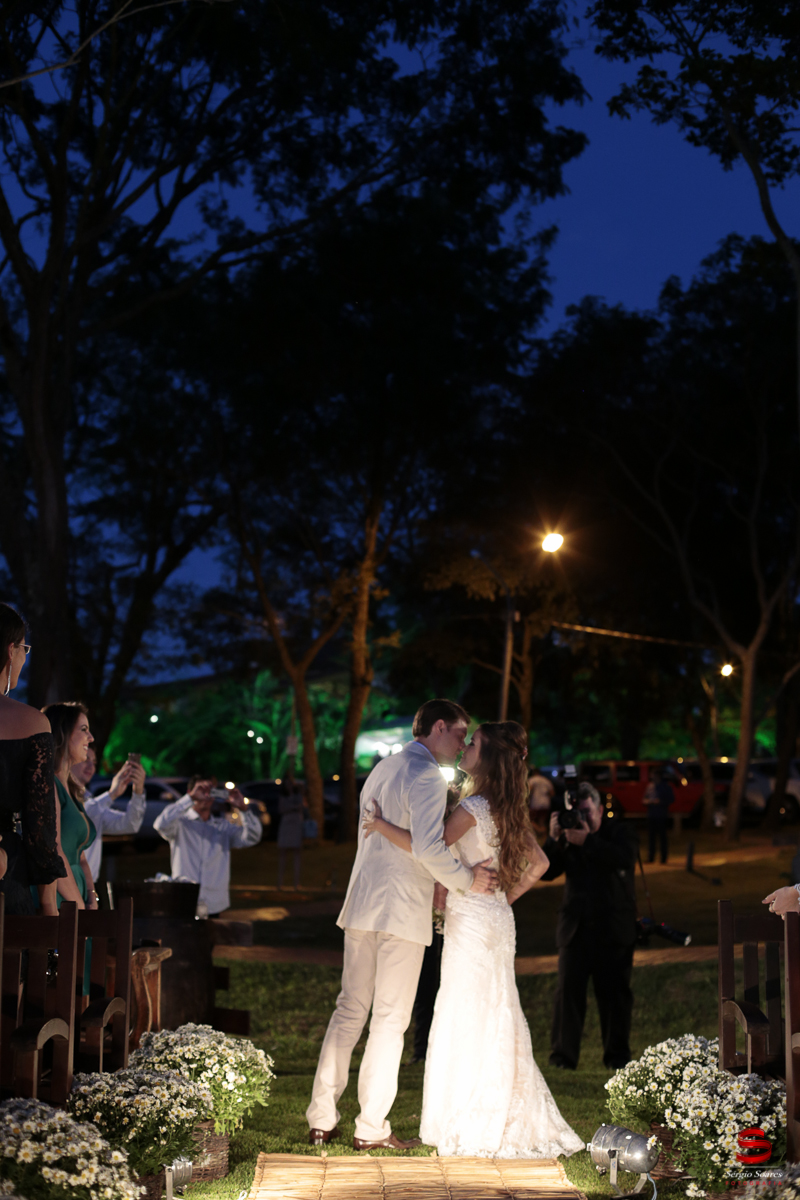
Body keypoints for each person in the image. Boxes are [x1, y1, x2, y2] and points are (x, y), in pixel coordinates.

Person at [364, 720, 583, 1159]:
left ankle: (470, 1114)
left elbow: (429, 847)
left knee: (465, 1009)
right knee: (496, 1006)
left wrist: (380, 824)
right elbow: (540, 864)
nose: (465, 746)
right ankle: (497, 1104)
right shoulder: (506, 805)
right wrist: (505, 895)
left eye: (475, 743)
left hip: (472, 920)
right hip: (496, 917)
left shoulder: (475, 805)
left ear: (490, 757)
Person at [306, 699, 499, 1153]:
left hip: (362, 905)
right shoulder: (427, 775)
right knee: (389, 1020)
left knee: (349, 1010)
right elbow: (430, 849)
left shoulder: (383, 768)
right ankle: (371, 1127)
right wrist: (467, 880)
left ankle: (321, 1119)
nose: (462, 744)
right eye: (460, 733)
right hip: (401, 909)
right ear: (438, 727)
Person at [543, 781, 638, 1071]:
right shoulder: (568, 836)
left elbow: (624, 858)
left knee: (615, 997)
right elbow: (547, 871)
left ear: (599, 809)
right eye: (576, 812)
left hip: (613, 929)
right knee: (567, 994)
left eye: (586, 812)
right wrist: (553, 839)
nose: (581, 818)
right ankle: (563, 1058)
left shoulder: (619, 832)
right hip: (575, 929)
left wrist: (588, 841)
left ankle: (617, 1057)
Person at [0, 603, 64, 915]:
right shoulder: (31, 723)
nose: (25, 659)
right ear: (10, 650)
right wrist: (49, 904)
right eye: (25, 649)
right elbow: (40, 826)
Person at [153, 775, 262, 917]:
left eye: (210, 791)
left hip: (214, 903)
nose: (205, 795)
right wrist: (189, 798)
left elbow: (252, 837)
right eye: (201, 790)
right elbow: (160, 824)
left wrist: (243, 809)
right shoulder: (180, 823)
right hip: (184, 898)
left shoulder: (223, 827)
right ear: (191, 792)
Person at [42, 702, 100, 910]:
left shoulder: (72, 789)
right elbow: (54, 850)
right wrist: (78, 906)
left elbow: (80, 855)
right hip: (60, 899)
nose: (90, 738)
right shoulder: (48, 785)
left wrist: (92, 896)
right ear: (62, 734)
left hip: (76, 896)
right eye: (84, 730)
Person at [74, 748, 146, 883]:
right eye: (86, 759)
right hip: (66, 886)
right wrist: (112, 794)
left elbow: (130, 825)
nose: (91, 766)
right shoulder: (59, 796)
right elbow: (82, 814)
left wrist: (138, 791)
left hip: (89, 886)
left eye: (94, 762)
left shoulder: (93, 803)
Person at [277, 779, 307, 890]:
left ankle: (296, 883)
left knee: (297, 853)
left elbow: (303, 807)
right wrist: (293, 807)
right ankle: (280, 883)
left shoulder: (298, 796)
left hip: (296, 824)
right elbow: (281, 809)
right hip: (286, 824)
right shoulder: (283, 796)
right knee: (283, 854)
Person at [644, 764, 674, 864]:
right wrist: (647, 801)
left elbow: (671, 799)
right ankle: (651, 857)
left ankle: (663, 858)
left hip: (661, 815)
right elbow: (645, 798)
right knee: (651, 837)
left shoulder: (666, 786)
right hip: (651, 815)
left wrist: (661, 802)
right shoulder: (650, 786)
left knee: (662, 837)